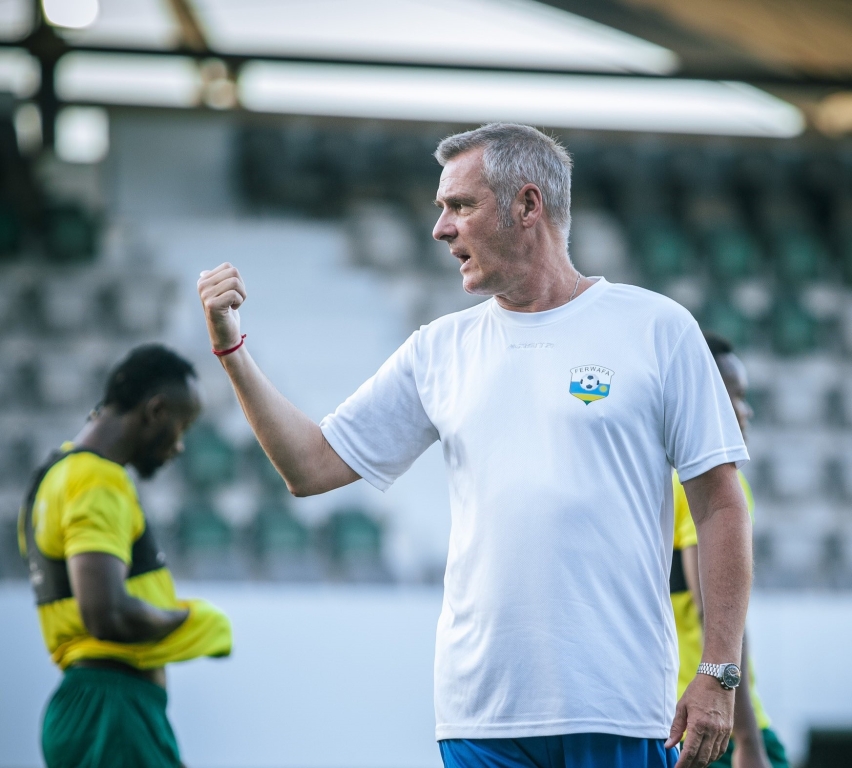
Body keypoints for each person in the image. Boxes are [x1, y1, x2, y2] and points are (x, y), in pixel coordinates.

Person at [197, 123, 752, 768]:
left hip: (619, 708)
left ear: (527, 205)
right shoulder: (439, 349)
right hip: (479, 717)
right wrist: (232, 349)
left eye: (460, 205)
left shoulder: (657, 329)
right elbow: (310, 465)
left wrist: (719, 672)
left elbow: (720, 506)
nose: (440, 228)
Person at [18, 344, 233, 768]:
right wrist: (190, 620)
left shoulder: (52, 475)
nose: (181, 446)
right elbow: (107, 615)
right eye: (182, 426)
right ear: (156, 411)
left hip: (97, 710)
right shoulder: (97, 480)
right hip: (114, 712)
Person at [671, 332, 789, 768]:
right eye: (735, 396)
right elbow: (714, 612)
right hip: (712, 722)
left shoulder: (659, 478)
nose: (746, 410)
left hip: (669, 714)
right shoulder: (713, 484)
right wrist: (747, 740)